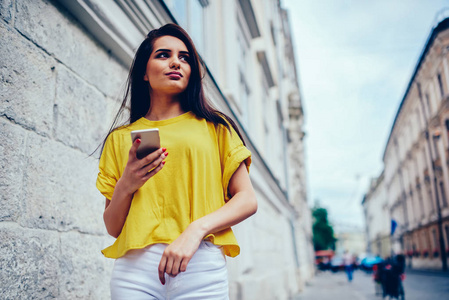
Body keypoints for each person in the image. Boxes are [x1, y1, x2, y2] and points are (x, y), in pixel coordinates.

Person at [96, 23, 258, 299]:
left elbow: (247, 200)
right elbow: (113, 228)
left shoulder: (216, 128)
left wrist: (195, 230)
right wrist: (127, 185)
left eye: (184, 58)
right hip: (134, 270)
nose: (175, 62)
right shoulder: (120, 139)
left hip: (200, 263)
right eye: (163, 55)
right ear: (144, 73)